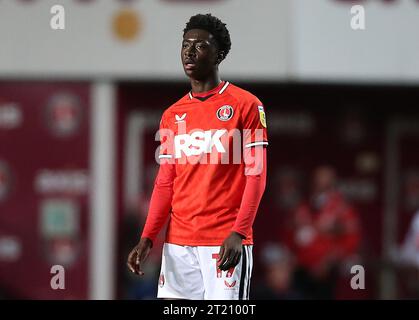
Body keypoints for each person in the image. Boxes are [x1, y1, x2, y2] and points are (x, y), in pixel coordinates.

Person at [126, 13, 268, 300]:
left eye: (200, 46)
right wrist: (148, 237)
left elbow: (256, 174)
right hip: (178, 245)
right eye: (185, 45)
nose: (190, 52)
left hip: (224, 240)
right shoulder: (171, 115)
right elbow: (165, 183)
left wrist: (239, 233)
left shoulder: (247, 106)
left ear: (220, 54)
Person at [286, 166, 361, 299]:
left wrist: (328, 261)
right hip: (301, 269)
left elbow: (351, 239)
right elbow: (291, 234)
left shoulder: (341, 209)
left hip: (328, 270)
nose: (321, 183)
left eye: (325, 179)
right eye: (318, 179)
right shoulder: (304, 206)